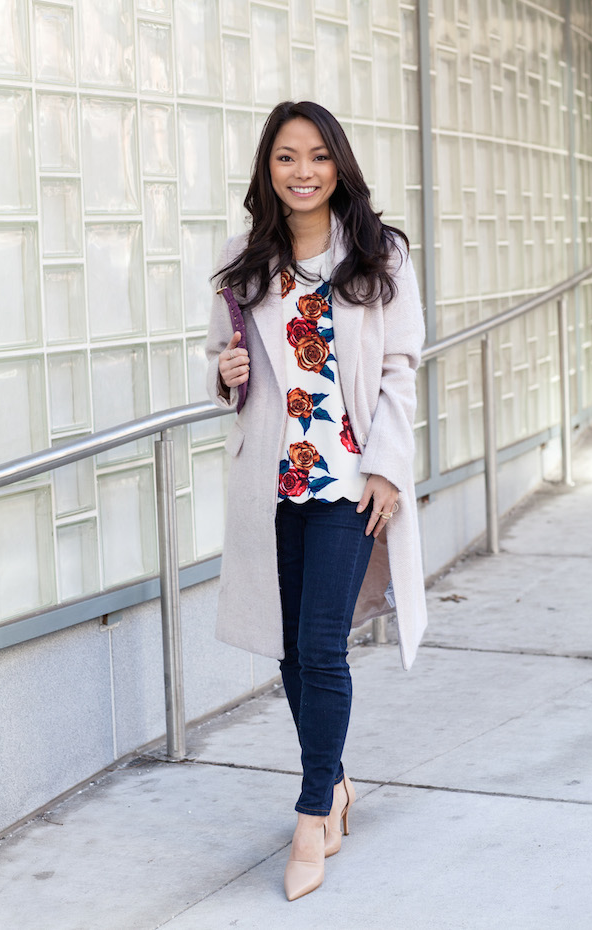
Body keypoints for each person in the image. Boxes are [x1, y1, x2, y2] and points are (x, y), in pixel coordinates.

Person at [206, 101, 427, 901]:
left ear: (340, 164)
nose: (303, 172)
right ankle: (333, 783)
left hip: (347, 479)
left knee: (323, 646)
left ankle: (309, 817)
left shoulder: (379, 253)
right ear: (269, 170)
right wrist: (224, 378)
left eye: (318, 156)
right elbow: (225, 363)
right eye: (287, 158)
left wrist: (388, 470)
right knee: (287, 649)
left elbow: (401, 367)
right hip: (271, 482)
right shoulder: (242, 260)